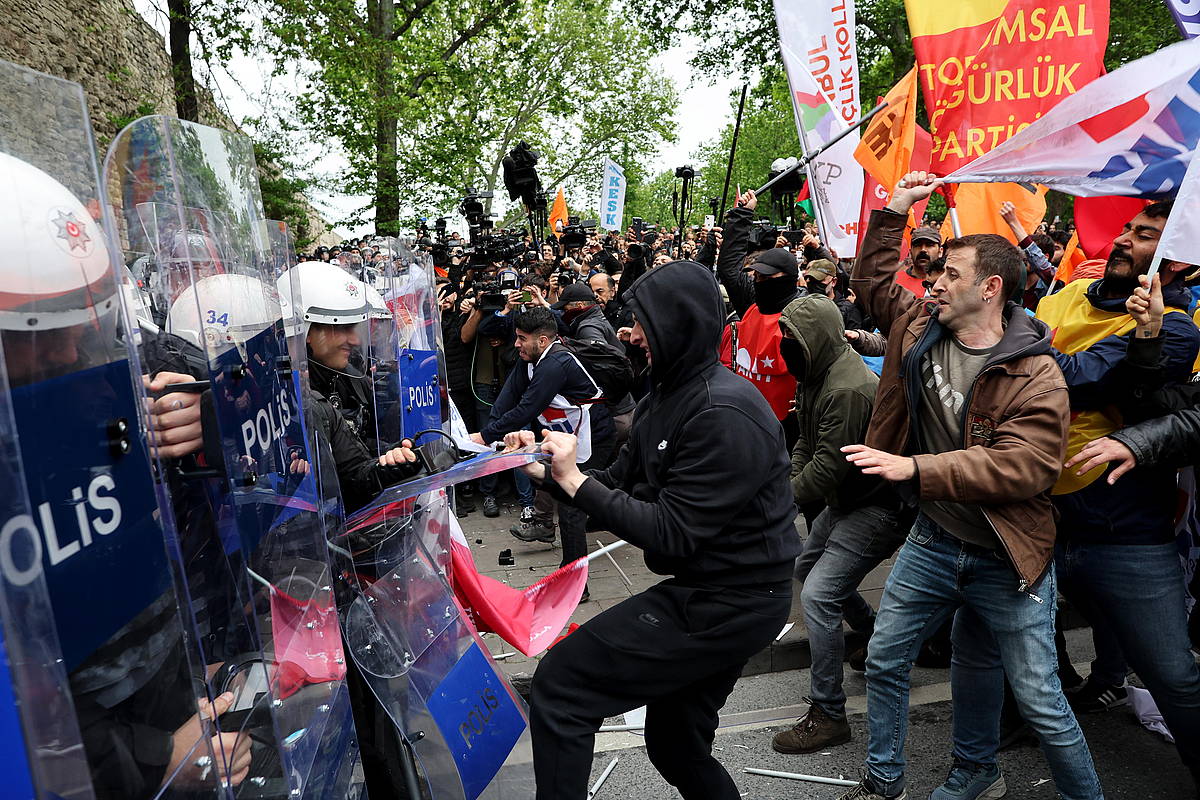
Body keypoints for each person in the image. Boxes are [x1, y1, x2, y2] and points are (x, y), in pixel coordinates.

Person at [838, 171, 1101, 800]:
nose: (933, 283)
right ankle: (891, 781)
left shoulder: (1037, 374)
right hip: (932, 541)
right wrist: (894, 209)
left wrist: (917, 469)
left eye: (949, 275)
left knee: (1041, 703)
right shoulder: (921, 327)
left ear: (989, 288)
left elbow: (1026, 467)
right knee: (885, 659)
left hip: (1006, 556)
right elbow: (873, 282)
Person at [508, 260, 799, 800]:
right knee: (675, 744)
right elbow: (617, 487)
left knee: (562, 687)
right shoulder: (665, 397)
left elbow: (672, 532)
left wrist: (574, 481)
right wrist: (546, 473)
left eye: (640, 322)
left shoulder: (722, 411)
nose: (627, 332)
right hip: (710, 588)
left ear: (676, 324)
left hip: (733, 600)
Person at [769, 293, 906, 755]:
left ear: (816, 339)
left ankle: (828, 713)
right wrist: (784, 488)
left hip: (875, 505)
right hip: (845, 499)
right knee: (807, 571)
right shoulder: (817, 371)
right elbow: (807, 443)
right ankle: (869, 633)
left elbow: (828, 466)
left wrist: (778, 502)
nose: (785, 346)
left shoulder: (845, 388)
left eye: (792, 339)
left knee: (818, 595)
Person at [472, 306, 614, 576]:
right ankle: (574, 526)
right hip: (566, 435)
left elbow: (526, 409)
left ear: (543, 341)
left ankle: (573, 579)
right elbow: (508, 397)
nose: (516, 344)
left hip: (593, 435)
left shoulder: (555, 363)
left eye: (522, 338)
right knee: (561, 492)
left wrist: (484, 436)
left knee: (572, 504)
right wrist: (489, 433)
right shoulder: (528, 360)